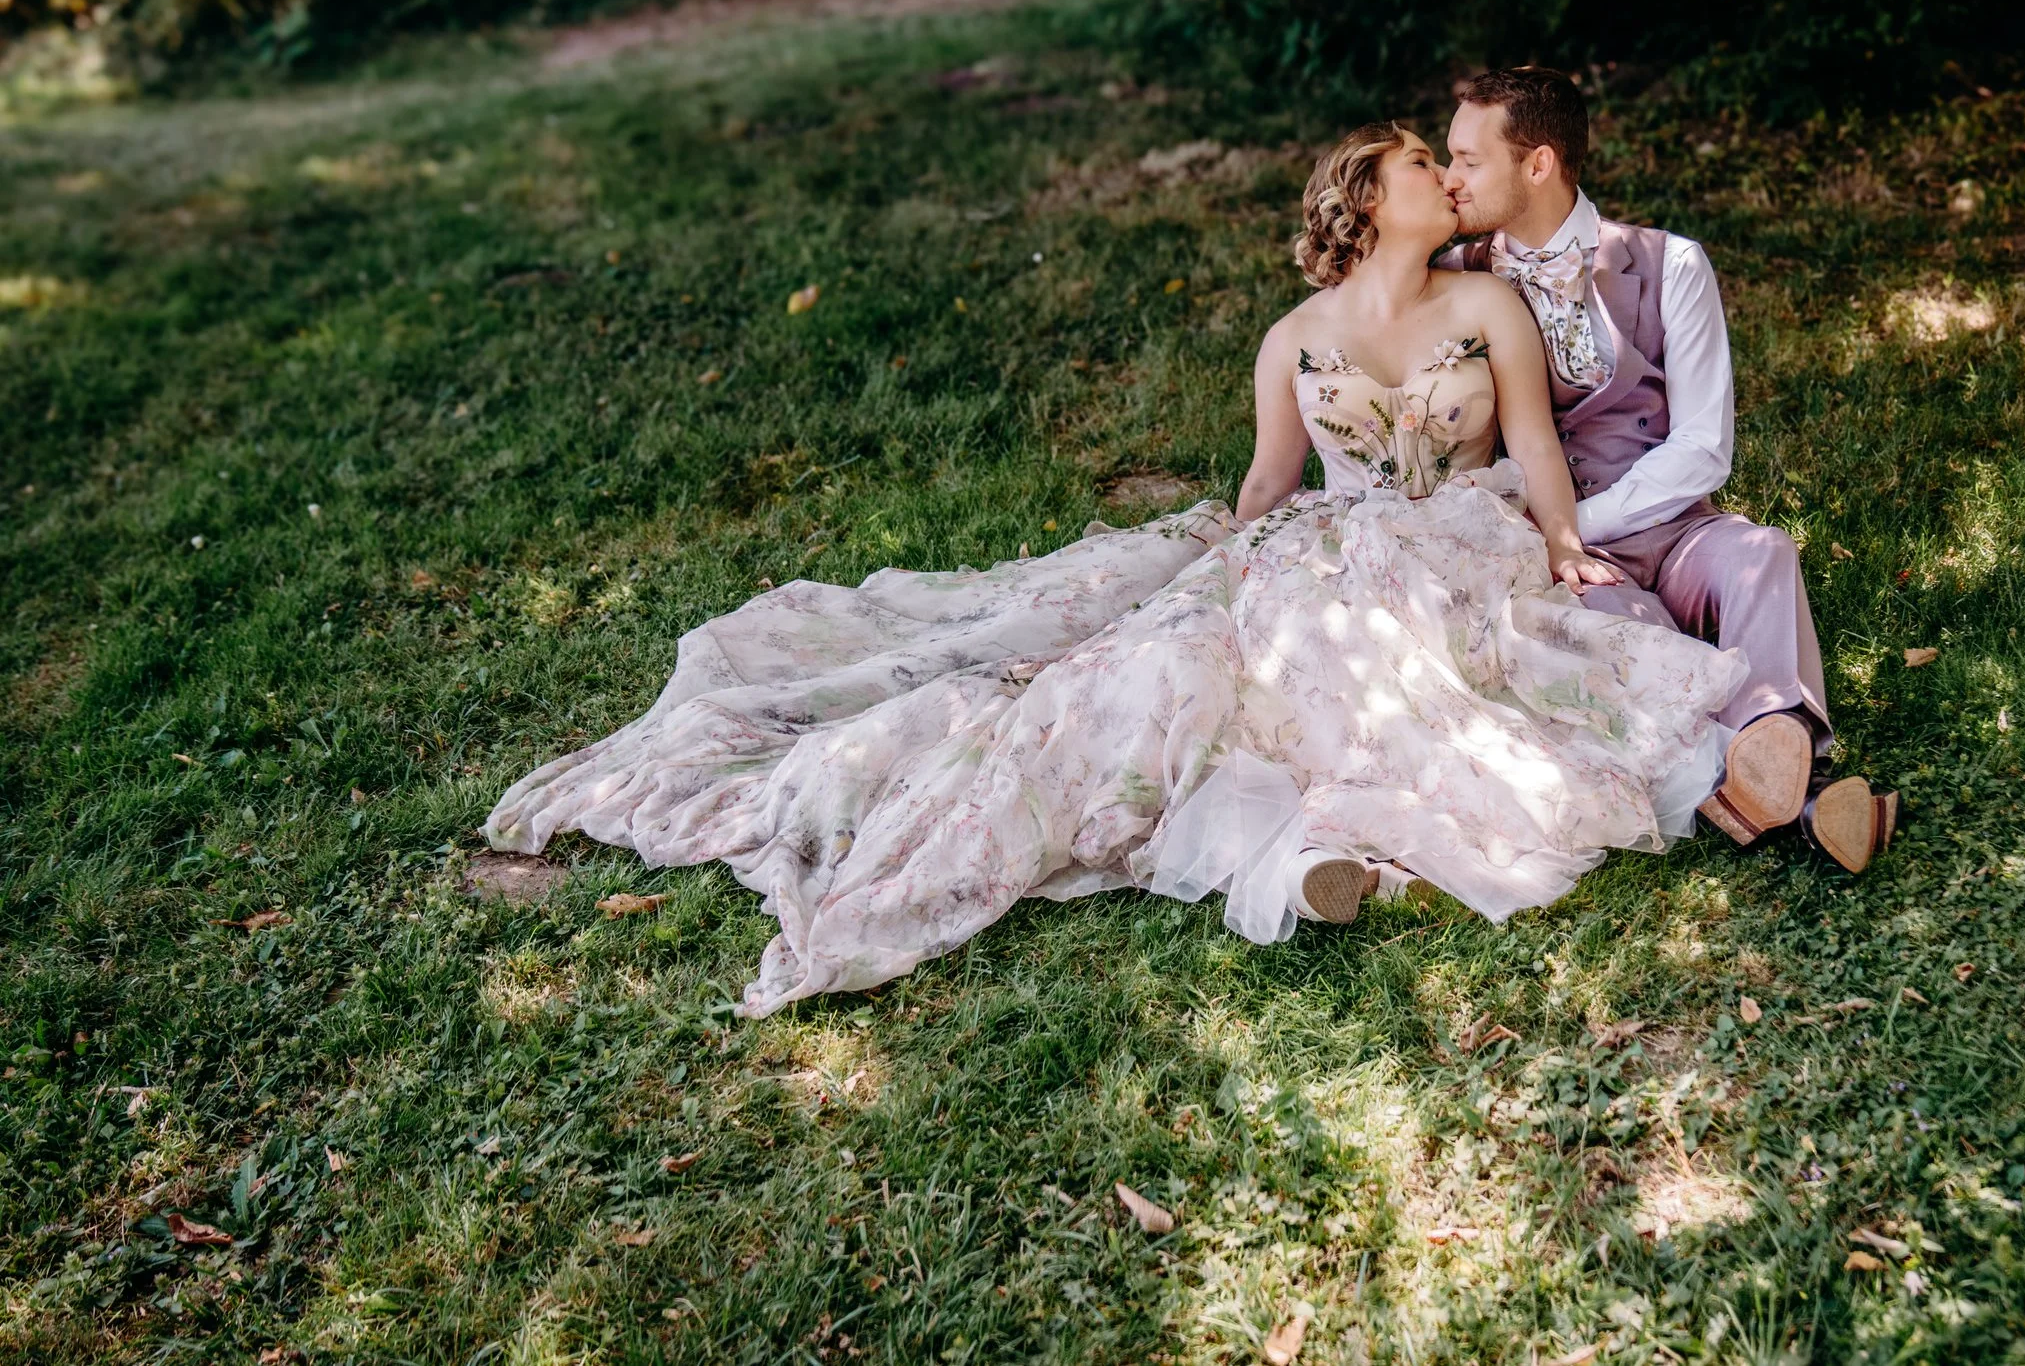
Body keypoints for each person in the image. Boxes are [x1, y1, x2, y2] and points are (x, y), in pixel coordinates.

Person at [484, 124, 1750, 1015]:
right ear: (1366, 197)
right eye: (1422, 160)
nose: (1445, 173)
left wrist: (1566, 542)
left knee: (1417, 671)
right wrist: (1218, 555)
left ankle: (1328, 844)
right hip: (1324, 537)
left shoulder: (1485, 308)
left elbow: (1536, 447)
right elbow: (1269, 483)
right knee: (1174, 660)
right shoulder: (1290, 338)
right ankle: (1300, 846)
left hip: (1456, 535)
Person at [1441, 67, 1896, 870]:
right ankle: (1808, 796)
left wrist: (1578, 522)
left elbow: (1703, 448)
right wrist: (1562, 540)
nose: (1451, 179)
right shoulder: (1456, 276)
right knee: (1630, 628)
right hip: (1565, 555)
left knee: (1763, 552)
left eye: (1469, 161)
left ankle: (1772, 758)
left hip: (1676, 529)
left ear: (1538, 164)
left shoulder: (1672, 264)